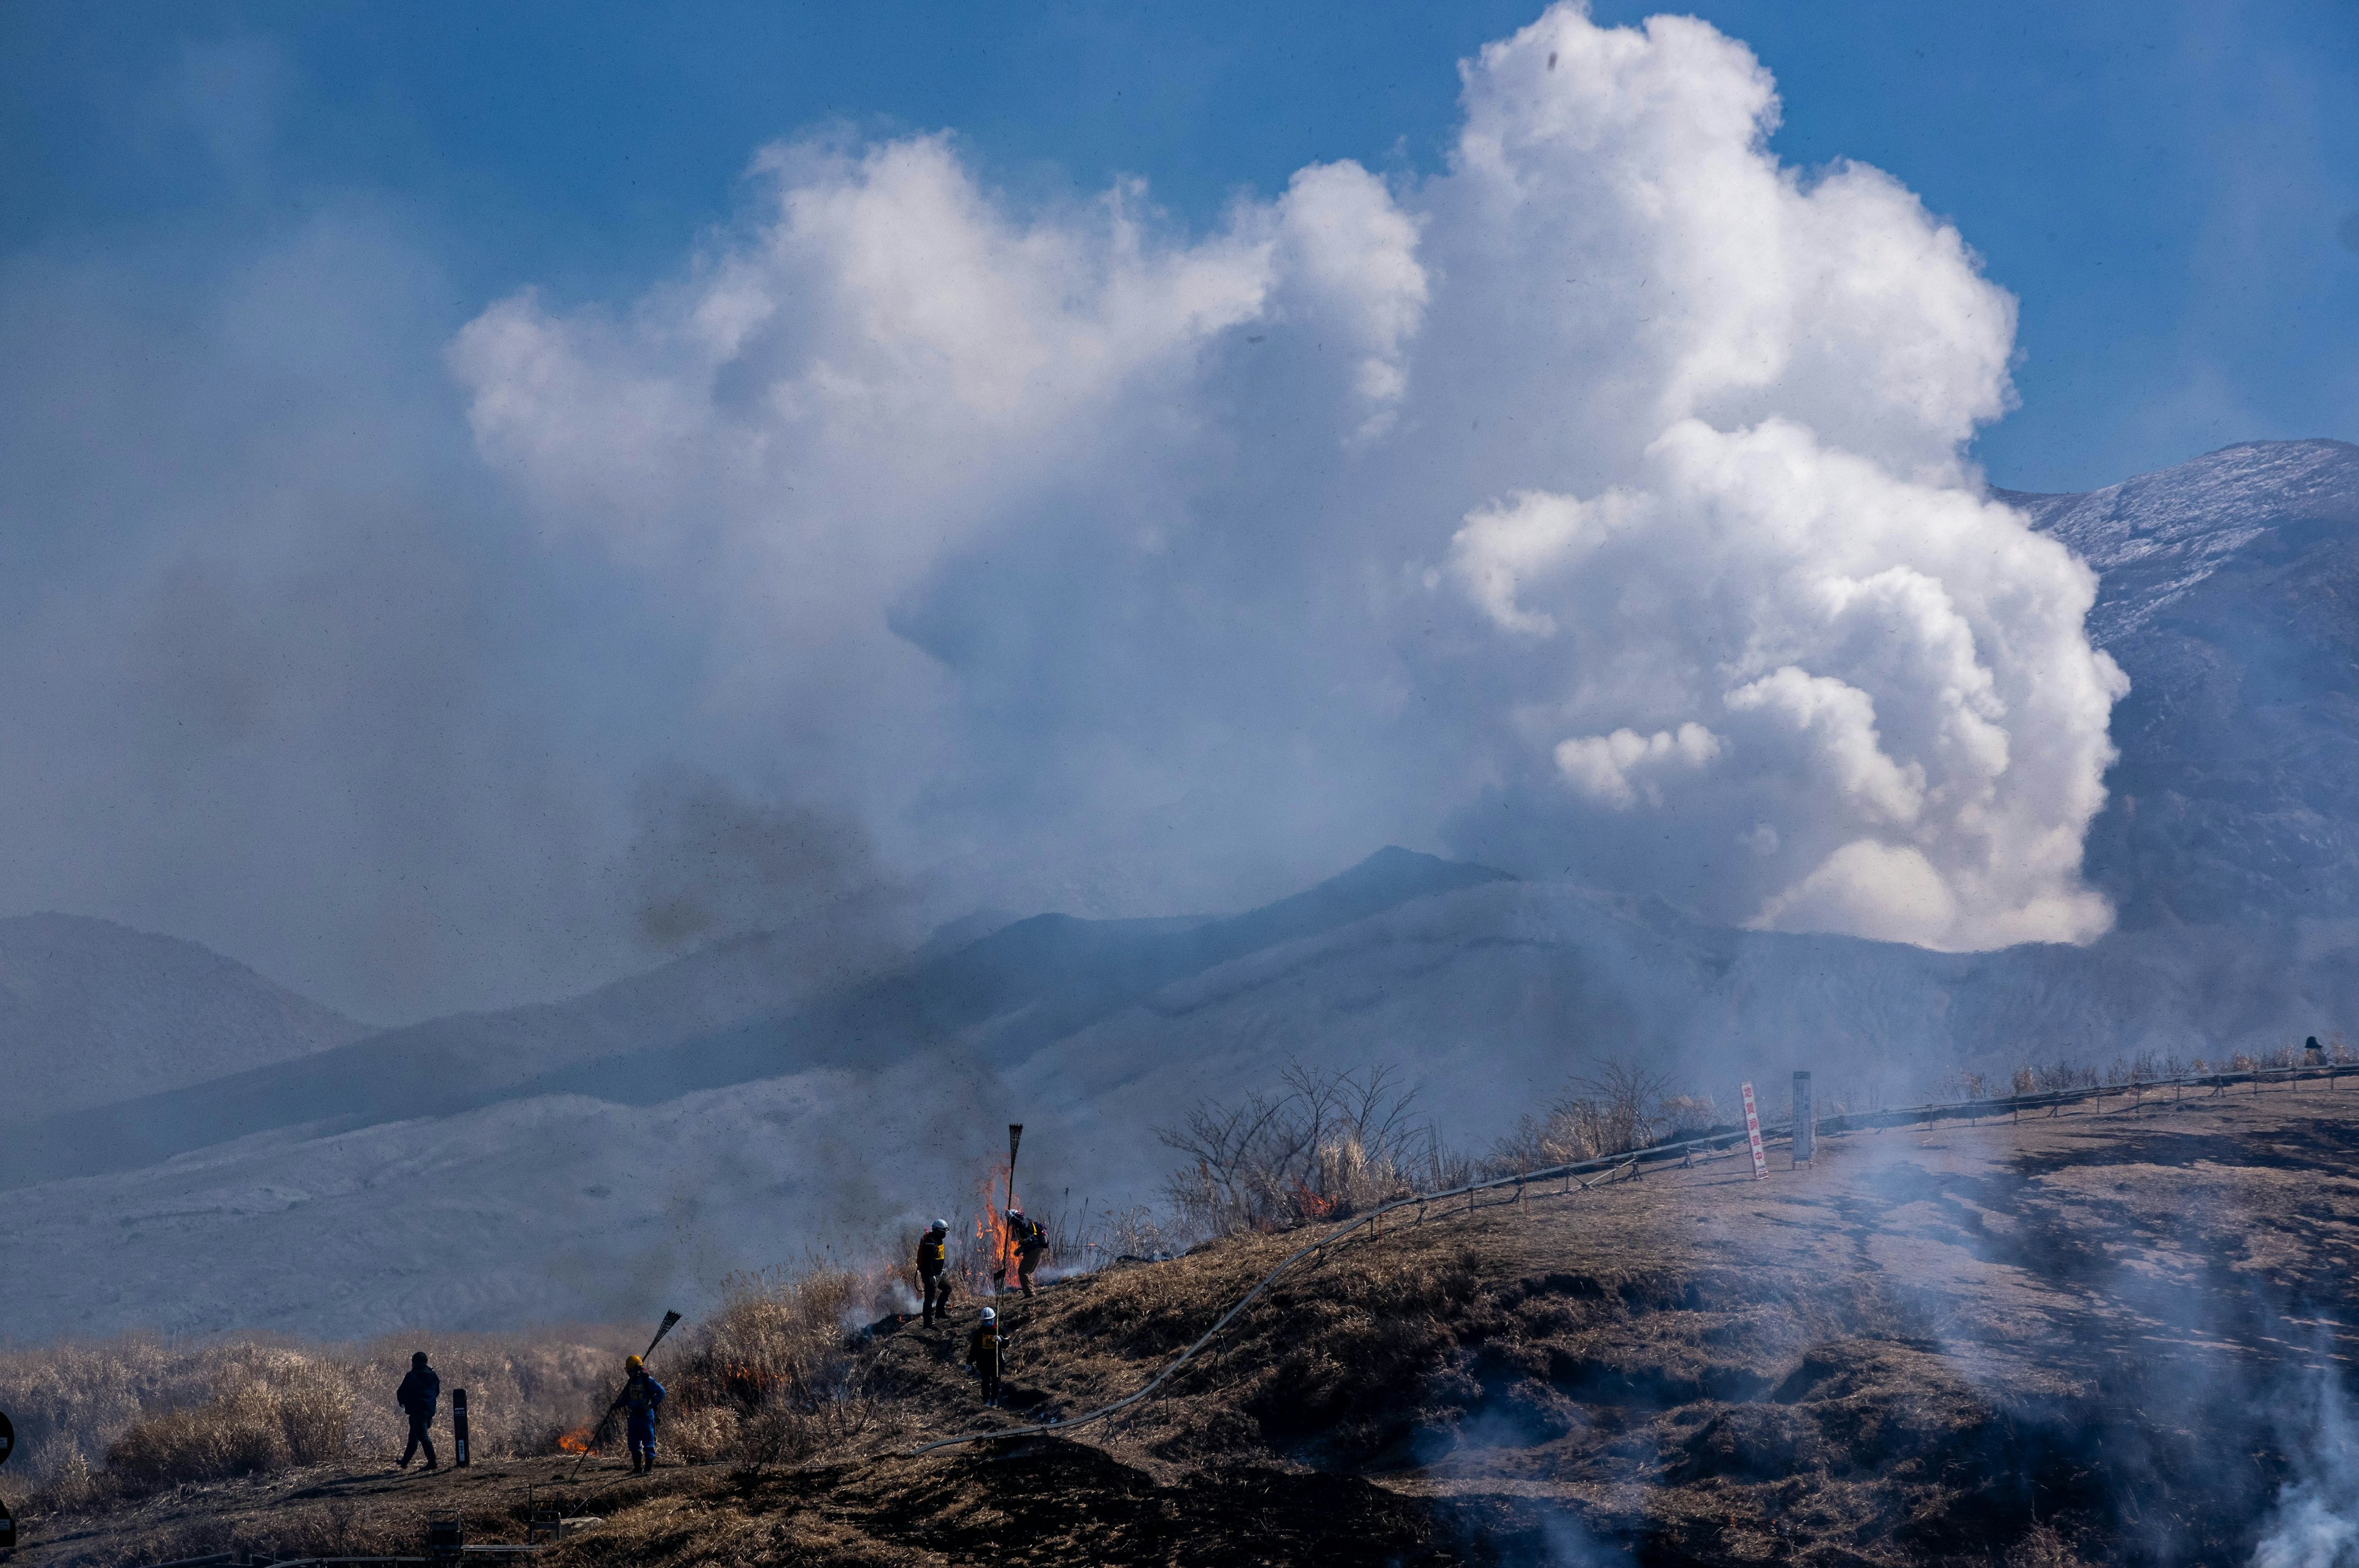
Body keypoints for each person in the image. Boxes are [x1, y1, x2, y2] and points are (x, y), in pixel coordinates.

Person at [621, 1354, 667, 1475]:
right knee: (633, 1441)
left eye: (630, 1370)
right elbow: (625, 1398)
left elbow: (662, 1392)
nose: (629, 1372)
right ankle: (637, 1468)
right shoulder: (632, 1382)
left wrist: (650, 1406)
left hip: (646, 1415)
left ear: (636, 1368)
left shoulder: (647, 1380)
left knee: (648, 1441)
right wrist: (616, 1405)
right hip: (635, 1415)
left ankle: (648, 1469)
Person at [396, 1351, 440, 1471]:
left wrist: (403, 1402)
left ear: (414, 1363)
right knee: (414, 1436)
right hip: (429, 1411)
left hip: (417, 1411)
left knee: (423, 1437)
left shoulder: (412, 1376)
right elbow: (437, 1392)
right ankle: (405, 1462)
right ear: (426, 1362)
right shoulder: (433, 1375)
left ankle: (432, 1462)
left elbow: (401, 1392)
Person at [966, 1306, 1003, 1407]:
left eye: (990, 1320)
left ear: (994, 1319)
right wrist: (969, 1362)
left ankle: (994, 1400)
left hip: (995, 1361)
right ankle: (986, 1400)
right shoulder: (979, 1332)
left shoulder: (998, 1330)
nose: (988, 1322)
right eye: (986, 1321)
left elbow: (1006, 1343)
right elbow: (974, 1349)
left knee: (996, 1381)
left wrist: (1001, 1341)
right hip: (983, 1361)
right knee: (985, 1382)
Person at [1007, 1207, 1049, 1297]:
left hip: (1034, 1250)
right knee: (1027, 1271)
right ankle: (1030, 1293)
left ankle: (1030, 1294)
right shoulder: (1024, 1225)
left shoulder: (1024, 1221)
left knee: (1023, 1271)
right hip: (1034, 1250)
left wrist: (1012, 1217)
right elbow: (1029, 1240)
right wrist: (1020, 1250)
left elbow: (1022, 1224)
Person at [917, 1218, 951, 1327]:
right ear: (937, 1230)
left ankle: (940, 1313)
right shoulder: (930, 1243)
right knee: (929, 1299)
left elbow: (938, 1257)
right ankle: (928, 1323)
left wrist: (941, 1270)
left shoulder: (938, 1240)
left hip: (938, 1274)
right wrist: (931, 1275)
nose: (944, 1234)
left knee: (947, 1288)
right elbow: (928, 1262)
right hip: (930, 1275)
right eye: (943, 1232)